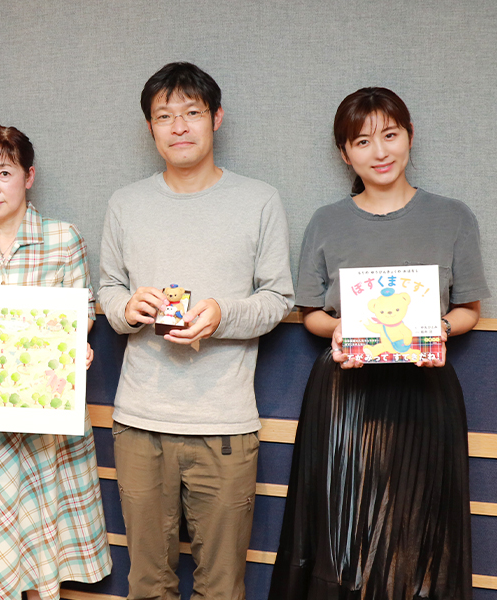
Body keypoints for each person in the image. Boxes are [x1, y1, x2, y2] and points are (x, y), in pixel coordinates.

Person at [268, 87, 490, 599]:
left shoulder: (453, 216)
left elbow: (469, 311)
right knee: (342, 534)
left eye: (390, 135)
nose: (380, 151)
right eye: (363, 141)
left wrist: (436, 331)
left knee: (418, 530)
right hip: (346, 393)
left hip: (424, 390)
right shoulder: (326, 221)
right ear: (345, 154)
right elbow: (311, 315)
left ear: (410, 136)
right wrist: (336, 328)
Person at [99, 62, 294, 600]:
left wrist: (220, 314)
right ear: (150, 128)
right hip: (139, 421)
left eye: (192, 112)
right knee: (147, 583)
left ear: (216, 118)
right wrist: (127, 307)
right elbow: (108, 289)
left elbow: (279, 299)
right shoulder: (125, 203)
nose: (179, 126)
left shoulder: (259, 200)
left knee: (222, 586)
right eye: (165, 116)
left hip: (225, 422)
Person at [0, 125, 111, 600]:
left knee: (40, 550)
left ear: (28, 177)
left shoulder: (62, 238)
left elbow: (82, 312)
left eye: (4, 172)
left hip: (42, 420)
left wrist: (77, 341)